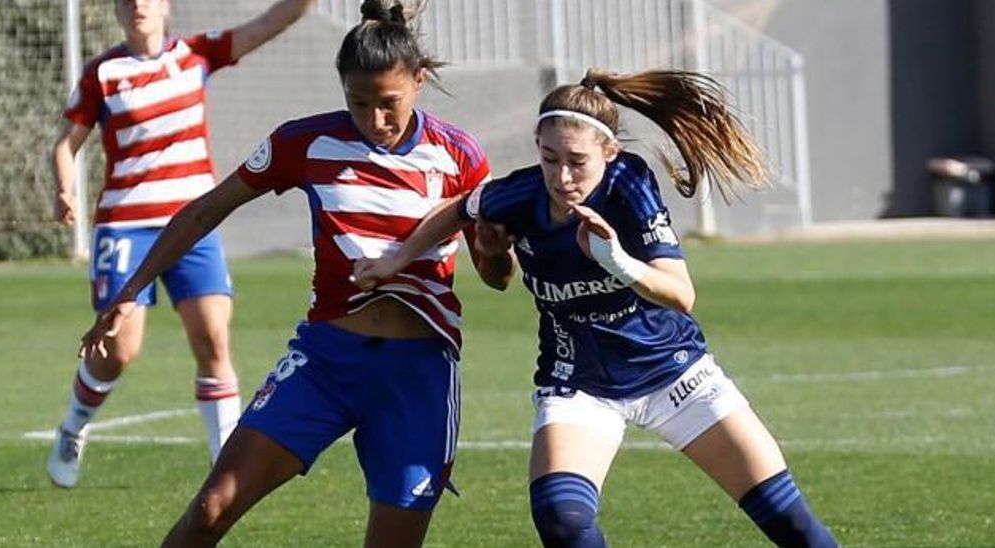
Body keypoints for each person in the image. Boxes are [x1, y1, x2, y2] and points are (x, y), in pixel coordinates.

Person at [353, 68, 839, 547]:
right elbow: (465, 215)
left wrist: (618, 261)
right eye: (549, 159)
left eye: (577, 161)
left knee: (790, 523)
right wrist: (403, 257)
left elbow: (681, 294)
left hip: (676, 375)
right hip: (579, 385)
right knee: (562, 520)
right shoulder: (521, 195)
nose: (562, 177)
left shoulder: (628, 183)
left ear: (609, 152)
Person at [79, 1, 501, 545]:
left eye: (389, 103)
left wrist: (492, 251)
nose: (375, 119)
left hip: (417, 375)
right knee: (211, 508)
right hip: (326, 362)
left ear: (418, 81)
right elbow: (207, 208)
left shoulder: (459, 154)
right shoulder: (304, 142)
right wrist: (132, 289)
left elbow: (496, 275)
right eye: (359, 103)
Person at [47, 0, 318, 488]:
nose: (138, 7)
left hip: (193, 223)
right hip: (126, 226)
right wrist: (64, 187)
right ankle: (73, 425)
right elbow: (66, 144)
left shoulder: (196, 55)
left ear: (166, 5)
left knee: (213, 338)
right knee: (119, 349)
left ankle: (226, 464)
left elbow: (273, 21)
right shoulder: (104, 73)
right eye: (127, 1)